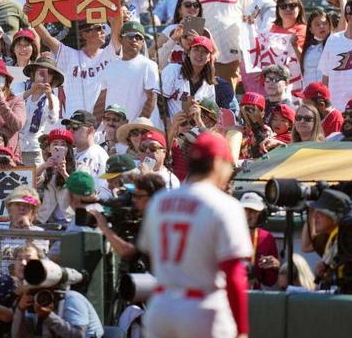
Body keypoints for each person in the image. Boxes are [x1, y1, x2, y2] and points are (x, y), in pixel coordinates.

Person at [138, 132, 253, 338]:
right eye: (229, 165)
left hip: (161, 306)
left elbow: (149, 252)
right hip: (202, 308)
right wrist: (242, 330)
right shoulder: (224, 205)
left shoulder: (160, 201)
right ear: (218, 163)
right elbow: (234, 274)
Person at [33, 12, 121, 118]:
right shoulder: (70, 55)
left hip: (101, 124)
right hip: (74, 121)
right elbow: (46, 38)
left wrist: (118, 4)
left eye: (104, 27)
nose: (103, 31)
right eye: (99, 28)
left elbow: (118, 34)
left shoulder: (108, 54)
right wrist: (32, 15)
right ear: (85, 34)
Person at [94, 22, 160, 124]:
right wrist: (94, 126)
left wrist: (137, 127)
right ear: (120, 39)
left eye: (138, 37)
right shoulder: (110, 66)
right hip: (110, 129)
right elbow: (101, 101)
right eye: (130, 36)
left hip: (133, 133)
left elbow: (151, 99)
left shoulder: (149, 65)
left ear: (143, 42)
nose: (134, 40)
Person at [90, 173, 165, 260]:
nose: (134, 200)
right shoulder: (140, 216)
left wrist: (105, 228)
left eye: (138, 196)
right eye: (133, 195)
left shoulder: (158, 221)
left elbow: (126, 251)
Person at [0, 186, 49, 274]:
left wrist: (28, 232)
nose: (22, 208)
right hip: (1, 280)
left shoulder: (39, 232)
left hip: (30, 279)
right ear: (9, 208)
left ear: (33, 211)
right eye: (17, 204)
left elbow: (42, 261)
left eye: (27, 205)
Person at [19, 56, 62, 166]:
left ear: (53, 78)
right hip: (15, 145)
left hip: (33, 148)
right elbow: (12, 102)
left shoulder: (52, 98)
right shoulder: (21, 87)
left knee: (35, 180)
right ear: (34, 73)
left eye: (49, 73)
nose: (44, 75)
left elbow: (53, 120)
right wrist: (32, 90)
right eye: (41, 71)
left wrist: (49, 97)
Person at [160, 36, 216, 119]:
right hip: (170, 127)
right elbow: (160, 100)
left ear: (209, 58)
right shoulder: (172, 70)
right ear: (189, 53)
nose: (199, 54)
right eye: (196, 49)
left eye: (205, 51)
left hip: (194, 130)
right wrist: (168, 125)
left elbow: (210, 112)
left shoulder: (209, 83)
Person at [301, 189, 351, 271]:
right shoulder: (329, 235)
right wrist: (310, 211)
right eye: (314, 213)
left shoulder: (343, 239)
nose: (314, 217)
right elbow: (306, 246)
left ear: (334, 217)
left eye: (320, 213)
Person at [36, 128, 76, 224]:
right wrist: (43, 167)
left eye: (63, 145)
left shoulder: (79, 165)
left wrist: (64, 173)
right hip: (47, 220)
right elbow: (31, 184)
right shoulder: (44, 168)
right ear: (49, 148)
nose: (58, 147)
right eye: (55, 144)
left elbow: (80, 190)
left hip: (69, 220)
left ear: (68, 148)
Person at [239, 192, 279, 290]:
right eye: (245, 210)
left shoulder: (267, 238)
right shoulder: (227, 233)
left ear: (260, 214)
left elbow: (270, 281)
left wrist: (276, 266)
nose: (248, 215)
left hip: (254, 296)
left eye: (252, 211)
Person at [62, 110, 108, 193]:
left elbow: (86, 190)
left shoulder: (95, 154)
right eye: (68, 127)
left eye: (75, 126)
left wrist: (63, 173)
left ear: (90, 130)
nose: (70, 131)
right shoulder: (70, 152)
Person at [301, 8, 333, 87]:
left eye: (325, 23)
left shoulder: (333, 43)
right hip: (309, 93)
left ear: (329, 25)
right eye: (317, 24)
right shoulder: (307, 49)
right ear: (310, 29)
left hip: (327, 93)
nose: (322, 26)